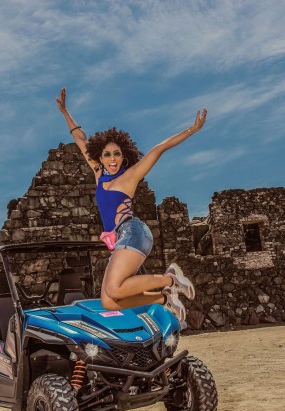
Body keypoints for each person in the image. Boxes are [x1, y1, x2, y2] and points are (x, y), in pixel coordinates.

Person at [56, 87, 206, 326]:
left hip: (133, 231)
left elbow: (159, 149)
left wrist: (192, 129)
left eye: (117, 154)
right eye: (107, 155)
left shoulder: (130, 177)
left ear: (124, 156)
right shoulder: (99, 173)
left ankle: (170, 280)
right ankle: (163, 298)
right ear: (101, 157)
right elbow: (80, 138)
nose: (112, 159)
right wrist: (65, 112)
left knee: (115, 287)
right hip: (123, 237)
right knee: (110, 300)